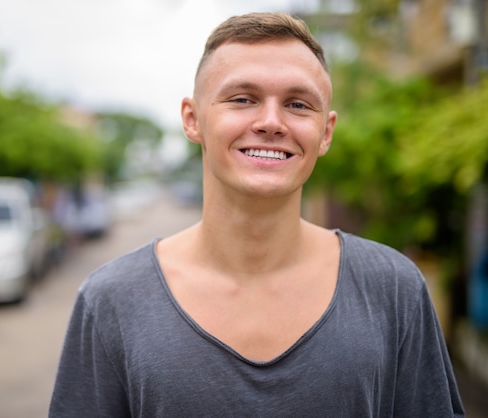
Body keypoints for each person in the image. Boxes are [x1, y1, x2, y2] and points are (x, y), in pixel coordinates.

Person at [49, 12, 464, 417]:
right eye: (242, 99)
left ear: (326, 132)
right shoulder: (111, 301)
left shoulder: (393, 289)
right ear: (193, 120)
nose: (270, 122)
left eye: (298, 104)